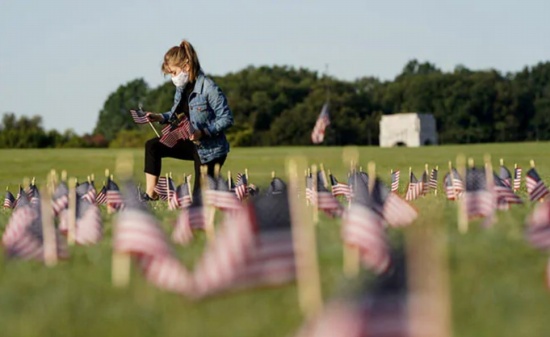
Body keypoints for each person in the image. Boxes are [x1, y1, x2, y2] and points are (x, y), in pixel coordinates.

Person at [135, 39, 233, 200]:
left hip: (210, 150)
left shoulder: (209, 88)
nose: (173, 77)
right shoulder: (182, 88)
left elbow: (227, 118)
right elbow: (176, 112)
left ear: (186, 66)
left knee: (199, 199)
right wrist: (159, 116)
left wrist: (203, 132)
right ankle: (150, 194)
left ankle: (240, 194)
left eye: (173, 73)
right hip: (190, 143)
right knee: (152, 146)